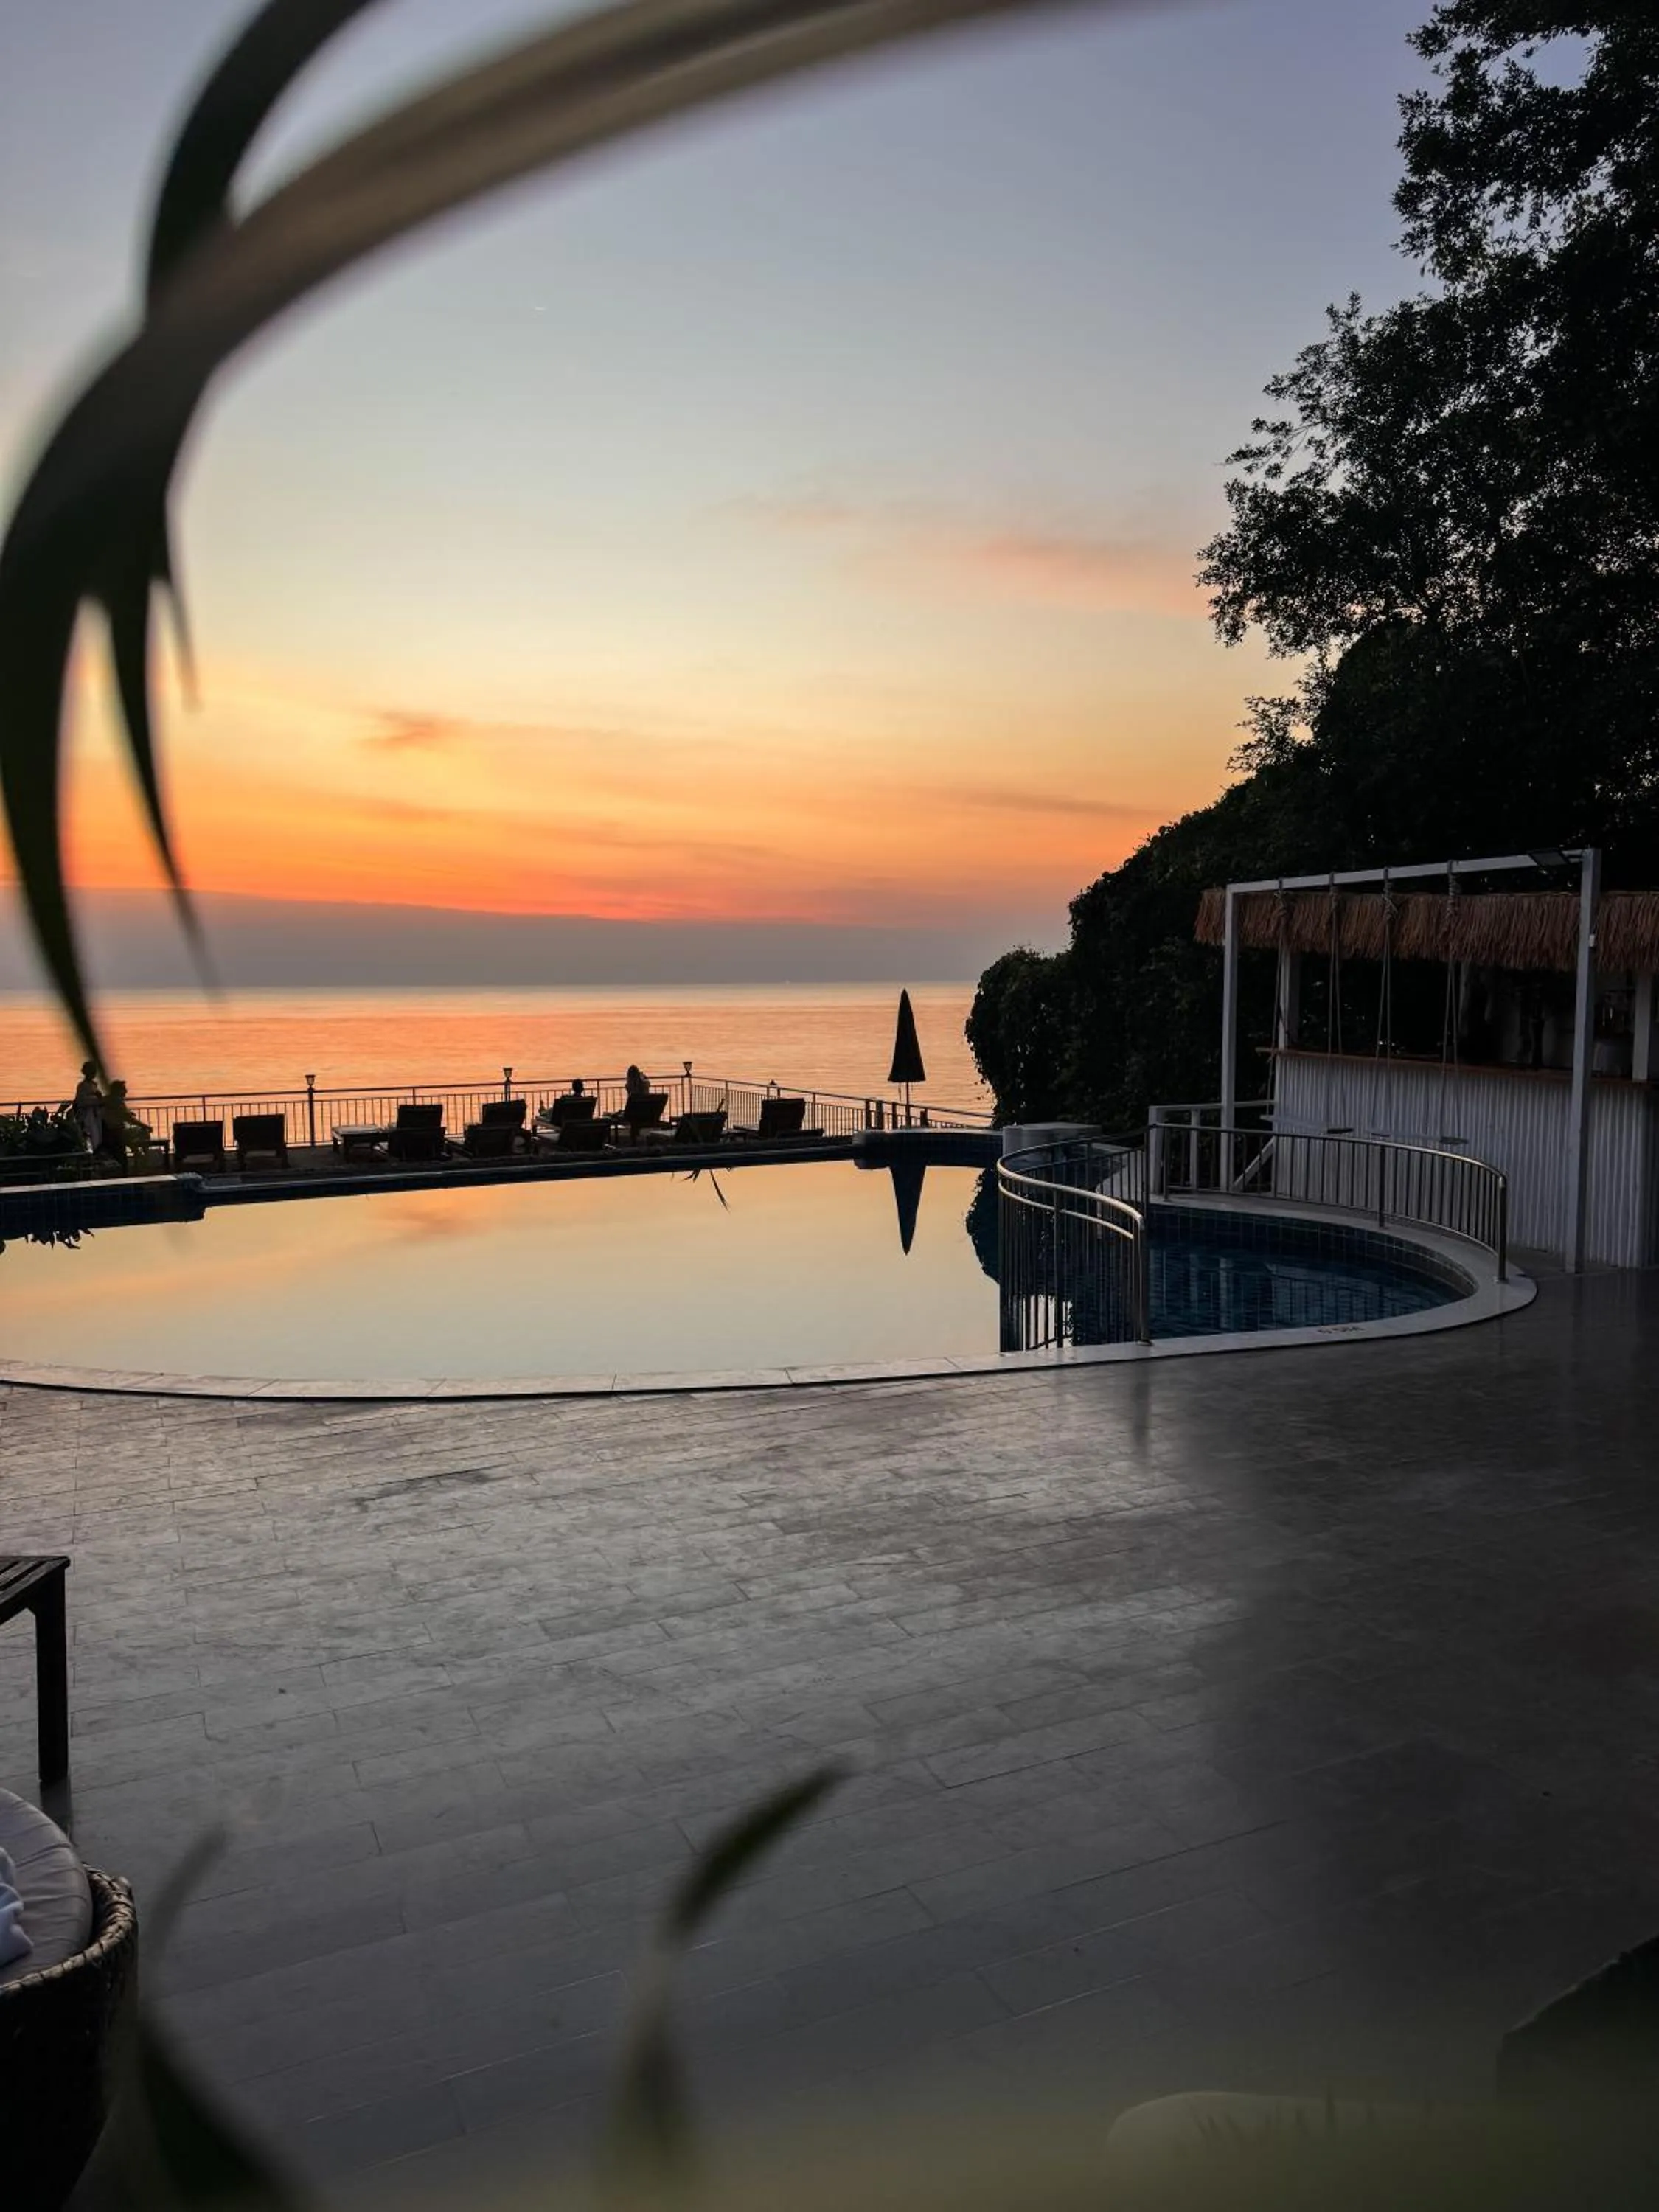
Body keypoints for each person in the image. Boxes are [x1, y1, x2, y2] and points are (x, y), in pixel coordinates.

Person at [72, 1060, 102, 1154]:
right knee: (89, 1137)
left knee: (97, 1137)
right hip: (86, 1116)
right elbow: (81, 1101)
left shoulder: (94, 1085)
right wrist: (96, 1099)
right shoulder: (82, 1086)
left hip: (95, 1115)